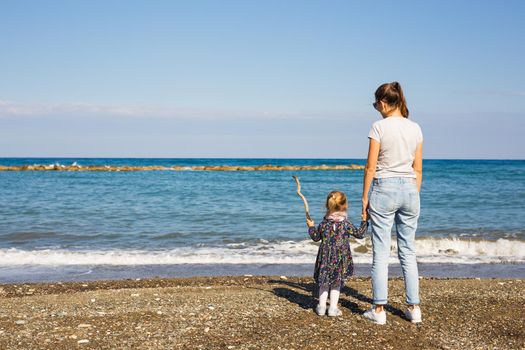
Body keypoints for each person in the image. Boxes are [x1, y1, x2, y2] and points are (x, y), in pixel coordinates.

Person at [361, 81, 423, 325]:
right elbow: (417, 168)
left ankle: (378, 311)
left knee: (381, 251)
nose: (376, 108)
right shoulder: (415, 128)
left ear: (385, 103)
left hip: (384, 188)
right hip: (409, 189)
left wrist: (365, 197)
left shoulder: (378, 127)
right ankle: (414, 308)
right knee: (408, 250)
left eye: (376, 103)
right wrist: (412, 192)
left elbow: (370, 167)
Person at [306, 190, 368, 317]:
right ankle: (332, 308)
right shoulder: (345, 223)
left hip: (325, 256)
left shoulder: (324, 223)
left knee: (323, 282)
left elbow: (316, 237)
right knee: (336, 283)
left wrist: (311, 227)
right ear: (345, 206)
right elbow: (360, 234)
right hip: (340, 257)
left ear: (327, 206)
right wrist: (365, 221)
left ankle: (321, 307)